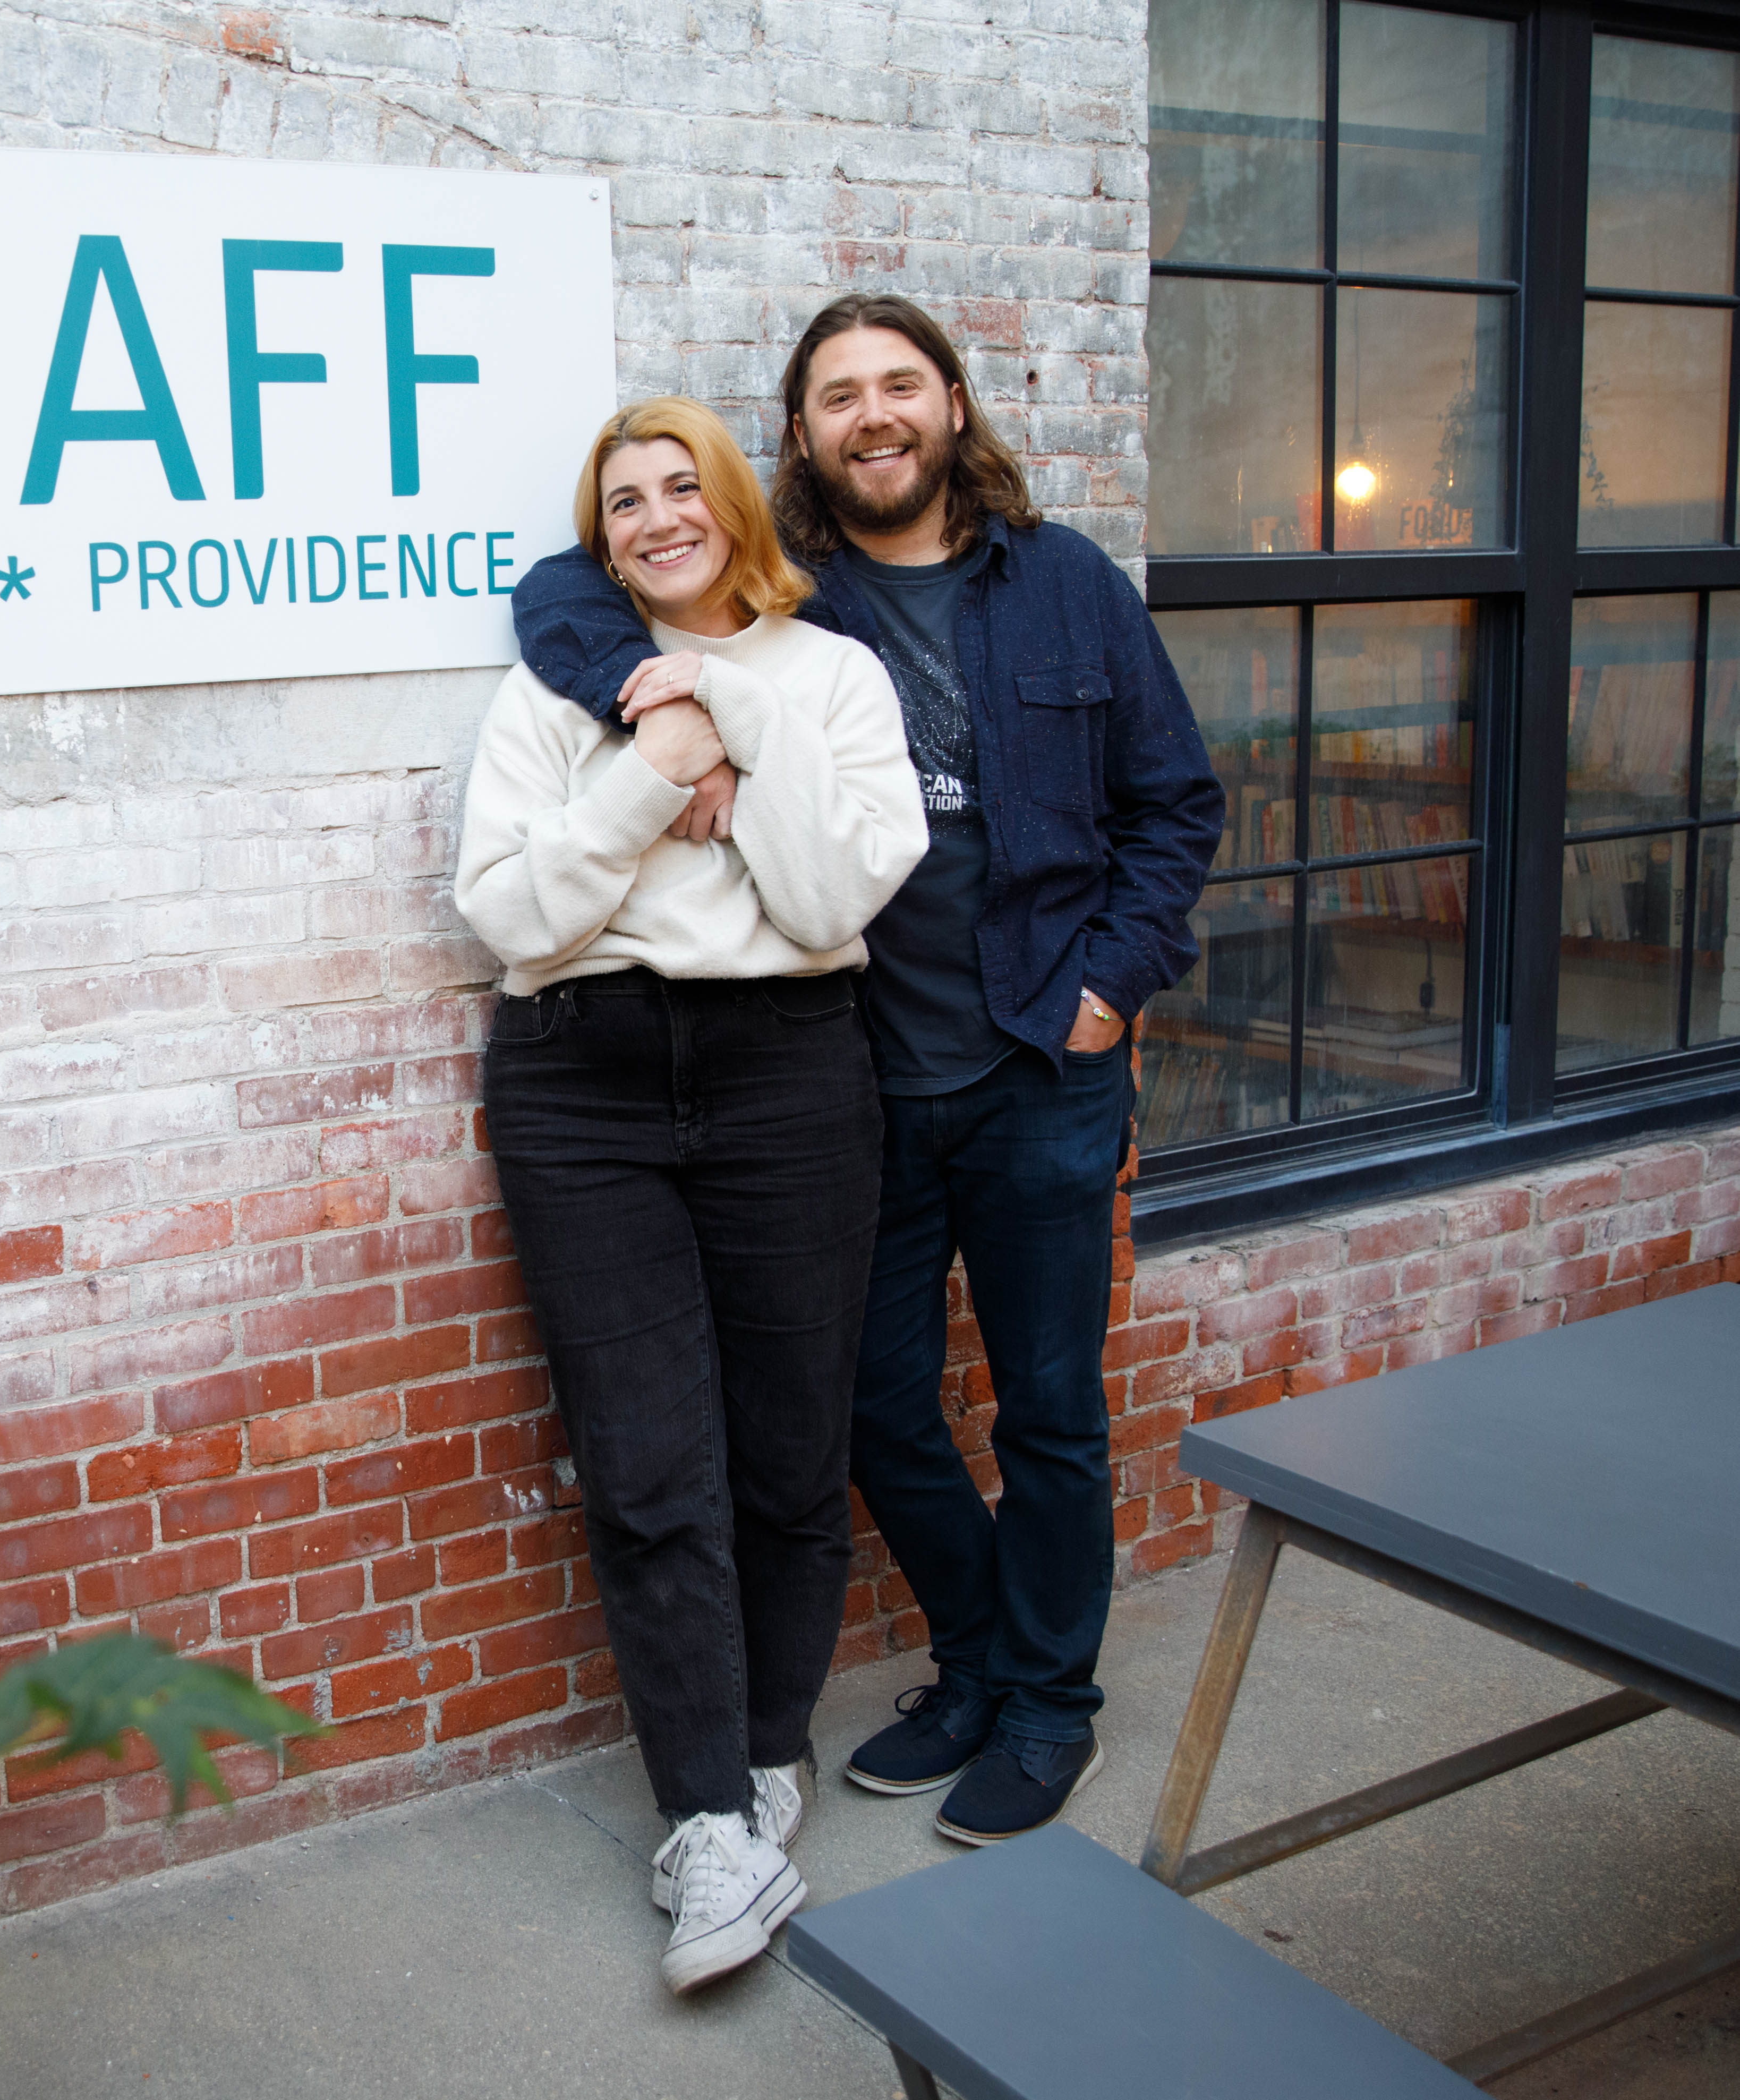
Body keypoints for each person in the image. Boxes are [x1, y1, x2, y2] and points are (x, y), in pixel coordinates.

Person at [511, 297, 1224, 1847]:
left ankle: (1048, 1704)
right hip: (860, 1077)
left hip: (1041, 1064)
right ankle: (974, 1659)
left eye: (899, 385)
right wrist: (669, 700)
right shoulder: (779, 581)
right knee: (871, 1405)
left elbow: (1175, 803)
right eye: (838, 396)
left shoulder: (1068, 586)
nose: (873, 415)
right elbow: (566, 587)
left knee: (1046, 1412)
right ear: (802, 434)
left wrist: (1109, 986)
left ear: (953, 405)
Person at [455, 397, 926, 1993]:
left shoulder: (833, 679)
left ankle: (768, 1742)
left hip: (790, 1071)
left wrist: (730, 714)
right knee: (648, 1465)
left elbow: (823, 897)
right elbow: (514, 921)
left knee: (790, 1449)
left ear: (732, 501)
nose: (657, 517)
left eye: (680, 487)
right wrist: (653, 771)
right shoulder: (554, 689)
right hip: (578, 1081)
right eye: (624, 502)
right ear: (602, 543)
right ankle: (708, 1818)